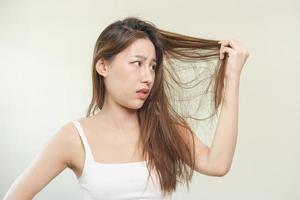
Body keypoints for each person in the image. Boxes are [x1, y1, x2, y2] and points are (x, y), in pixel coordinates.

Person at [3, 16, 249, 200]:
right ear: (103, 67)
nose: (148, 77)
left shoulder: (165, 129)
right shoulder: (74, 137)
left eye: (152, 66)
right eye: (137, 63)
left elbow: (218, 165)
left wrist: (232, 79)